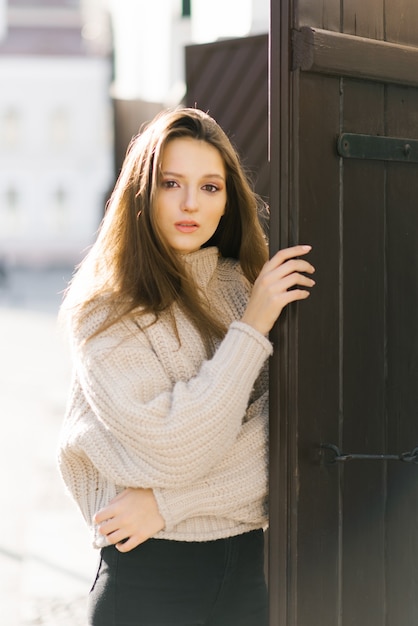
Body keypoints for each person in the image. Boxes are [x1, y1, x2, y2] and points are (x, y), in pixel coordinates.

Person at [57, 107, 315, 626]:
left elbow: (290, 437)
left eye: (211, 187)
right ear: (142, 191)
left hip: (249, 578)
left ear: (228, 202)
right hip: (149, 583)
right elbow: (174, 447)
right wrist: (252, 329)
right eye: (171, 183)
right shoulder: (103, 311)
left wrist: (165, 505)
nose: (191, 203)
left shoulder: (243, 287)